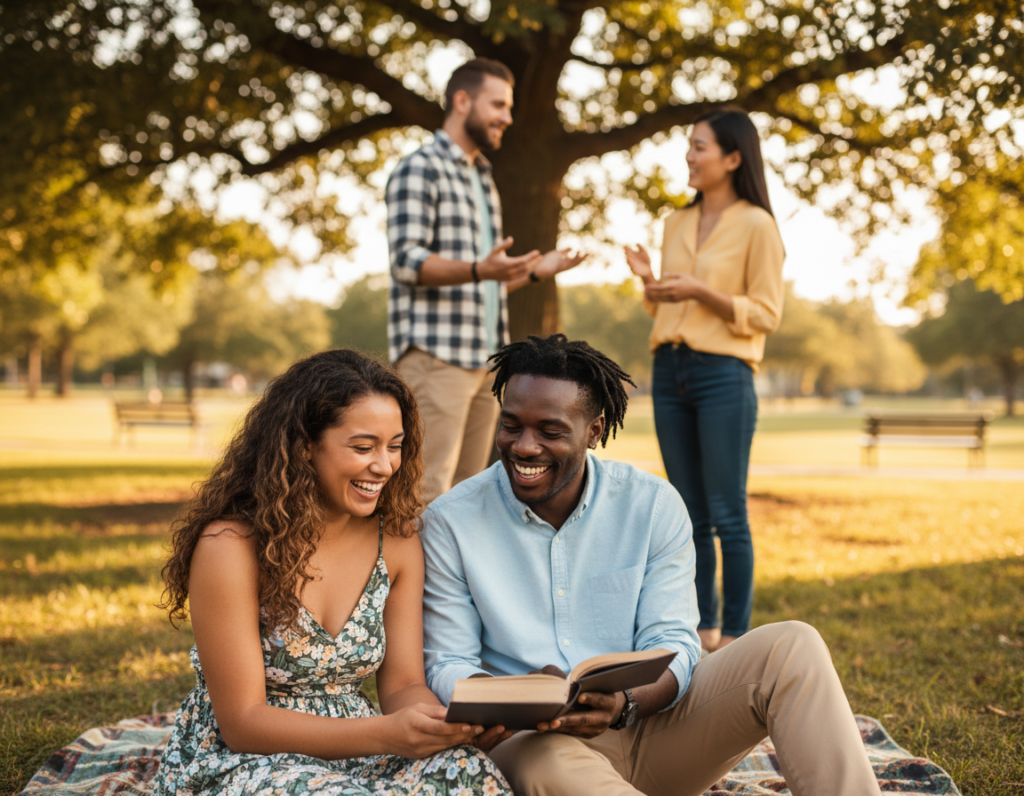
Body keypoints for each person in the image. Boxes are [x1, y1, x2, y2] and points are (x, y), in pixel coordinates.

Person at [422, 334, 883, 796]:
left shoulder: (652, 505)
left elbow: (674, 642)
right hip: (536, 743)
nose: (524, 447)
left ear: (594, 431)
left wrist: (623, 704)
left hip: (652, 728)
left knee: (792, 645)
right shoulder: (450, 521)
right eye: (512, 425)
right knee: (546, 765)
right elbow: (447, 661)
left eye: (550, 431)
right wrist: (511, 699)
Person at [152, 350, 511, 796]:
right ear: (304, 444)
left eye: (394, 446)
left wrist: (437, 724)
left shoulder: (396, 542)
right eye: (363, 447)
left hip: (361, 744)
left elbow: (403, 685)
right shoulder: (230, 546)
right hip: (247, 755)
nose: (384, 466)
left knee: (469, 772)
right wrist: (386, 734)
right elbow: (243, 723)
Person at [386, 57, 584, 503]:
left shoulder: (483, 178)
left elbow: (480, 287)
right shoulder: (421, 168)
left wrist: (532, 272)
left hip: (482, 362)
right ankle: (406, 577)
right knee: (423, 492)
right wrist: (481, 269)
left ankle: (451, 578)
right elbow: (407, 261)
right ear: (462, 101)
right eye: (498, 105)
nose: (507, 118)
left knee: (466, 497)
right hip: (437, 359)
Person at [624, 107, 785, 652]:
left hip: (724, 373)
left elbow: (766, 312)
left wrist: (700, 291)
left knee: (727, 514)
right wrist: (651, 282)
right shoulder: (675, 223)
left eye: (699, 147)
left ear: (733, 158)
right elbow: (664, 309)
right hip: (669, 369)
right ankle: (701, 632)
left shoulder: (757, 225)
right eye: (688, 146)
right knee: (687, 514)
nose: (689, 157)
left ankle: (736, 639)